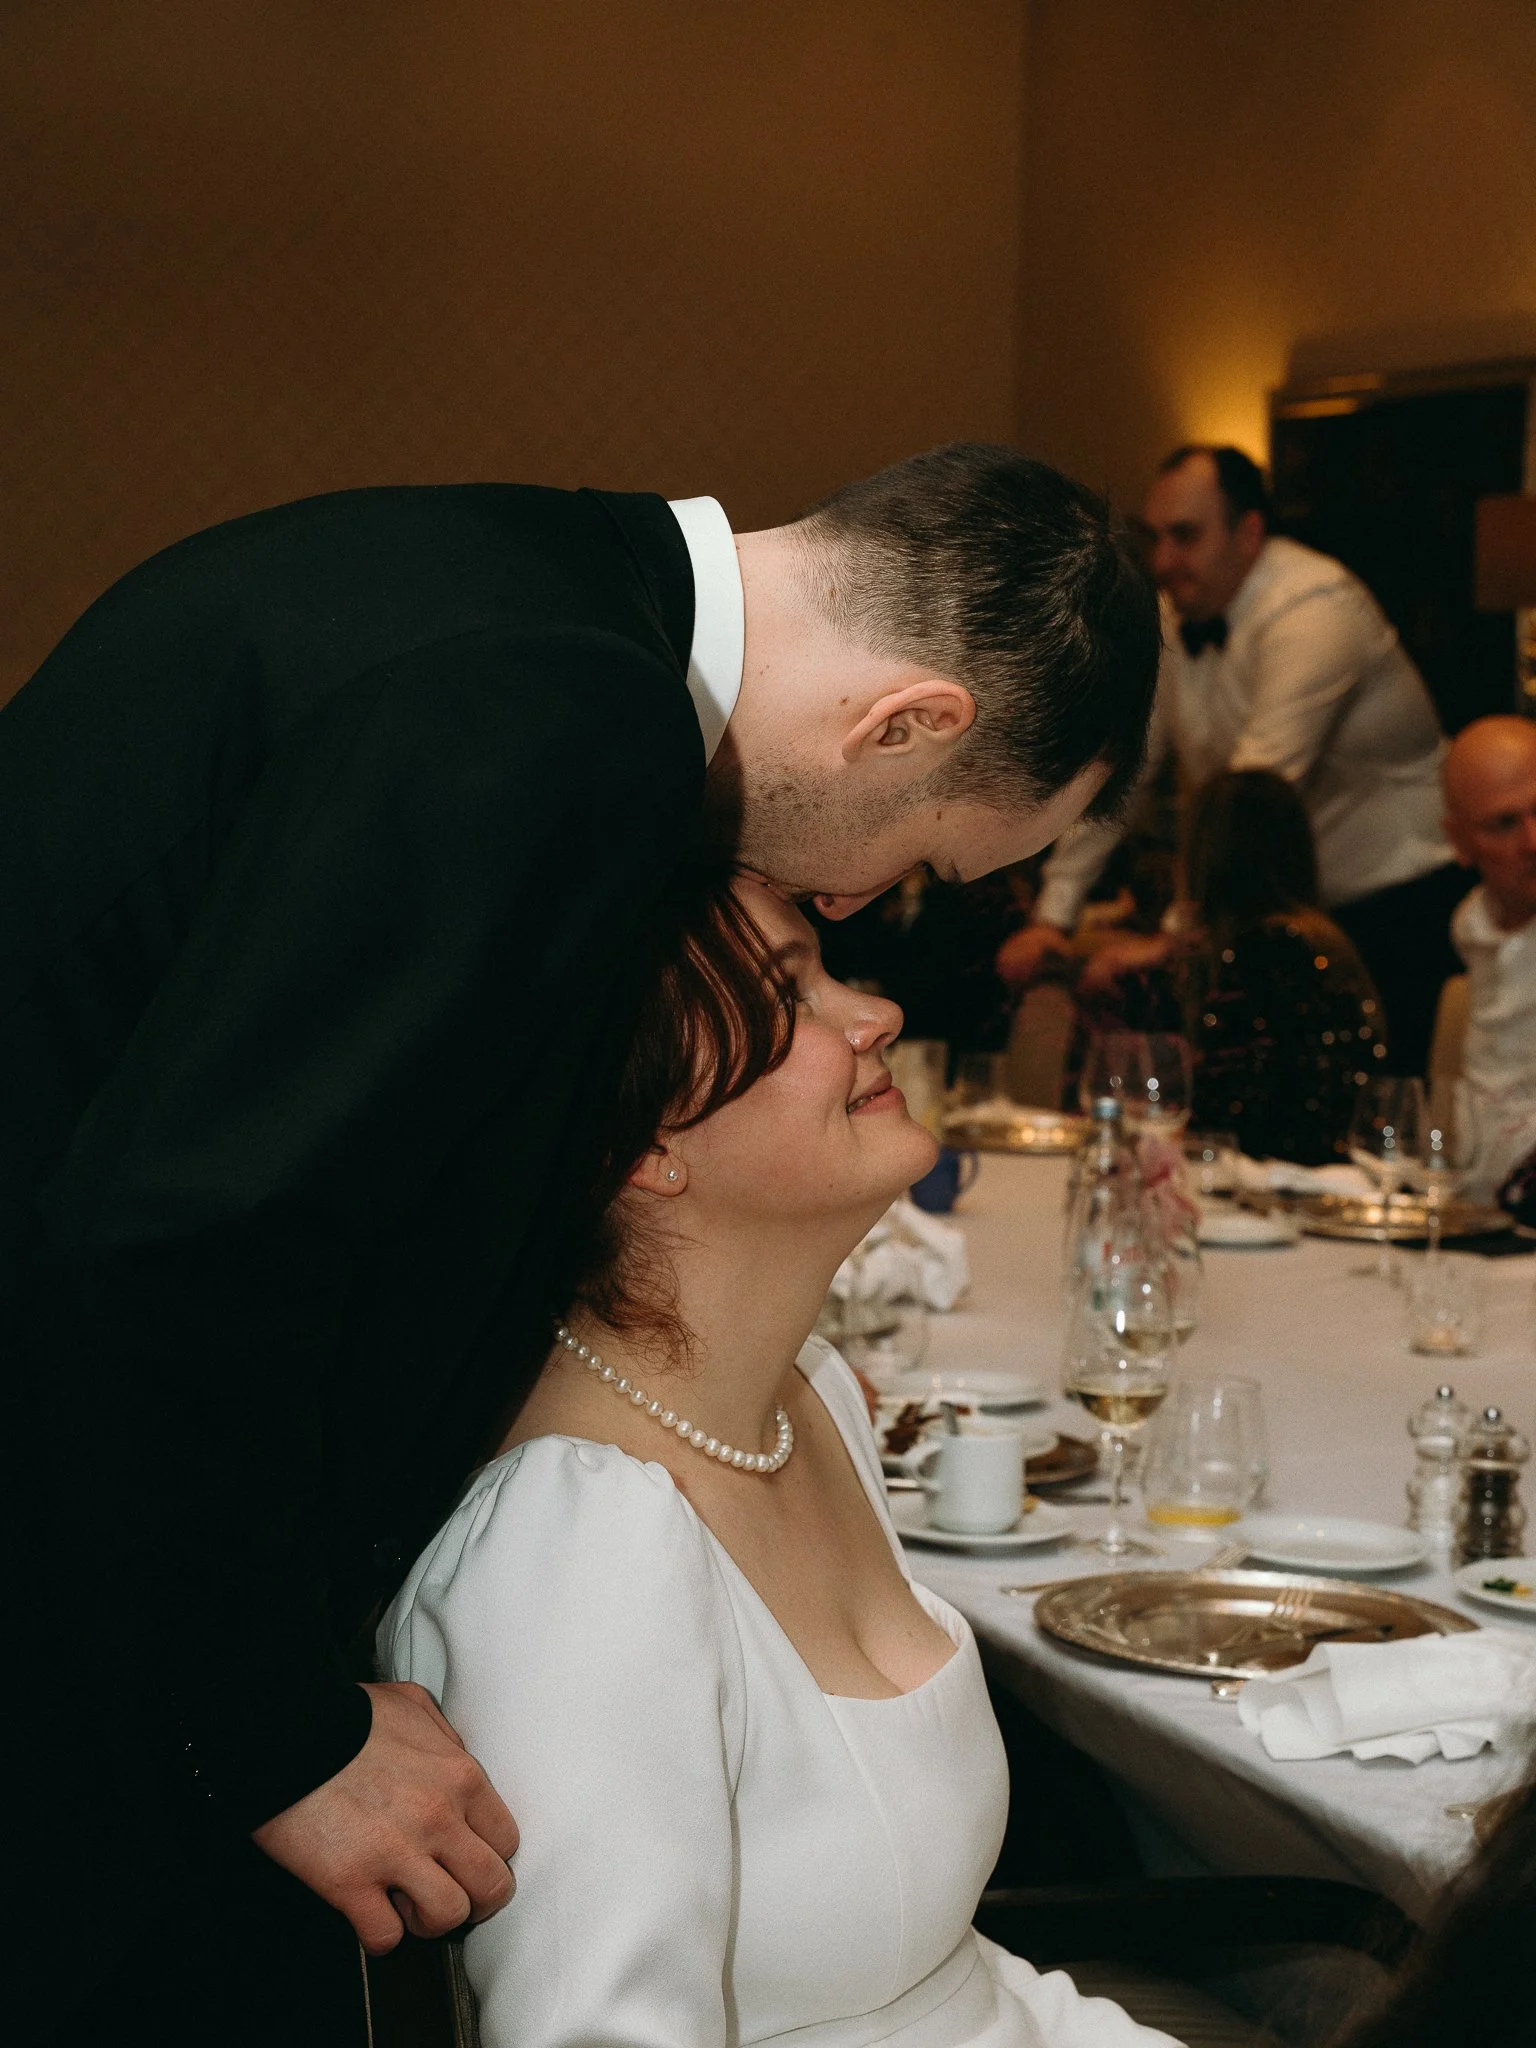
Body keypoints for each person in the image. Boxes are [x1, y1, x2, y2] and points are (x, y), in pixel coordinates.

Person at [2, 444, 1159, 2042]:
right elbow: (193, 1236)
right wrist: (272, 1735)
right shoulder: (567, 709)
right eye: (917, 861)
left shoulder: (502, 567)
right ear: (907, 724)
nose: (850, 907)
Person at [382, 868, 1180, 2048]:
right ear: (644, 1139)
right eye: (789, 991)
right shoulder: (580, 1542)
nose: (876, 1014)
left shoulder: (805, 1397)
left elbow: (940, 1975)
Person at [999, 446, 1466, 1076]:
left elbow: (1252, 795)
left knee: (1380, 1114)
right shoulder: (1173, 616)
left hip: (1396, 898)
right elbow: (1124, 773)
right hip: (1282, 906)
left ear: (1248, 534)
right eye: (1155, 538)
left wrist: (1170, 940)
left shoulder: (1316, 611)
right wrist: (1054, 917)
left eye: (1185, 537)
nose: (1162, 563)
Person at [1077, 770, 1383, 1164]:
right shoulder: (1320, 939)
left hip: (1281, 1182)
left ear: (1204, 854)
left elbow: (1219, 1114)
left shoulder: (1266, 952)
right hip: (1329, 1171)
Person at [1440, 714, 1536, 1200]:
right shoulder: (1470, 925)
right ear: (1459, 842)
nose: (1533, 842)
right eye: (1504, 823)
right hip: (1476, 1205)